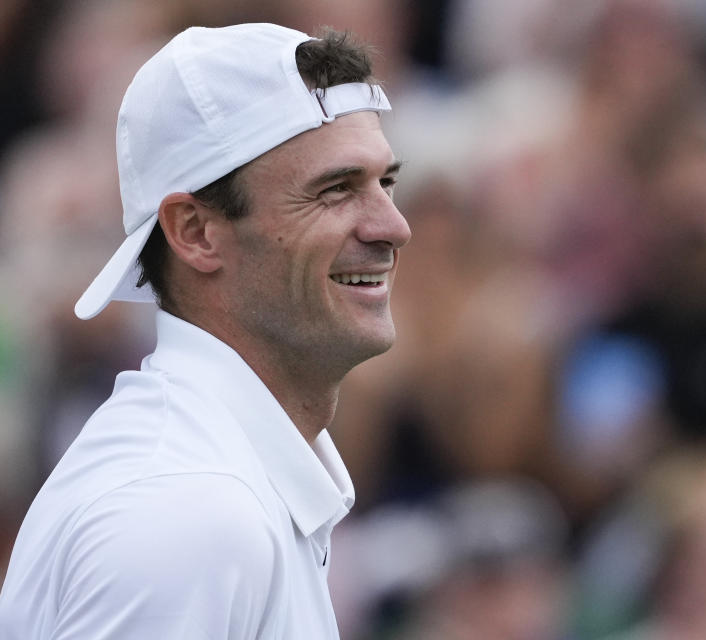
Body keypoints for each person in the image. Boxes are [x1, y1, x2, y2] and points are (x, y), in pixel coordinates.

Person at [0, 22, 411, 639]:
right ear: (194, 232)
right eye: (335, 190)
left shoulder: (205, 488)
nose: (393, 226)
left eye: (386, 182)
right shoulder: (188, 510)